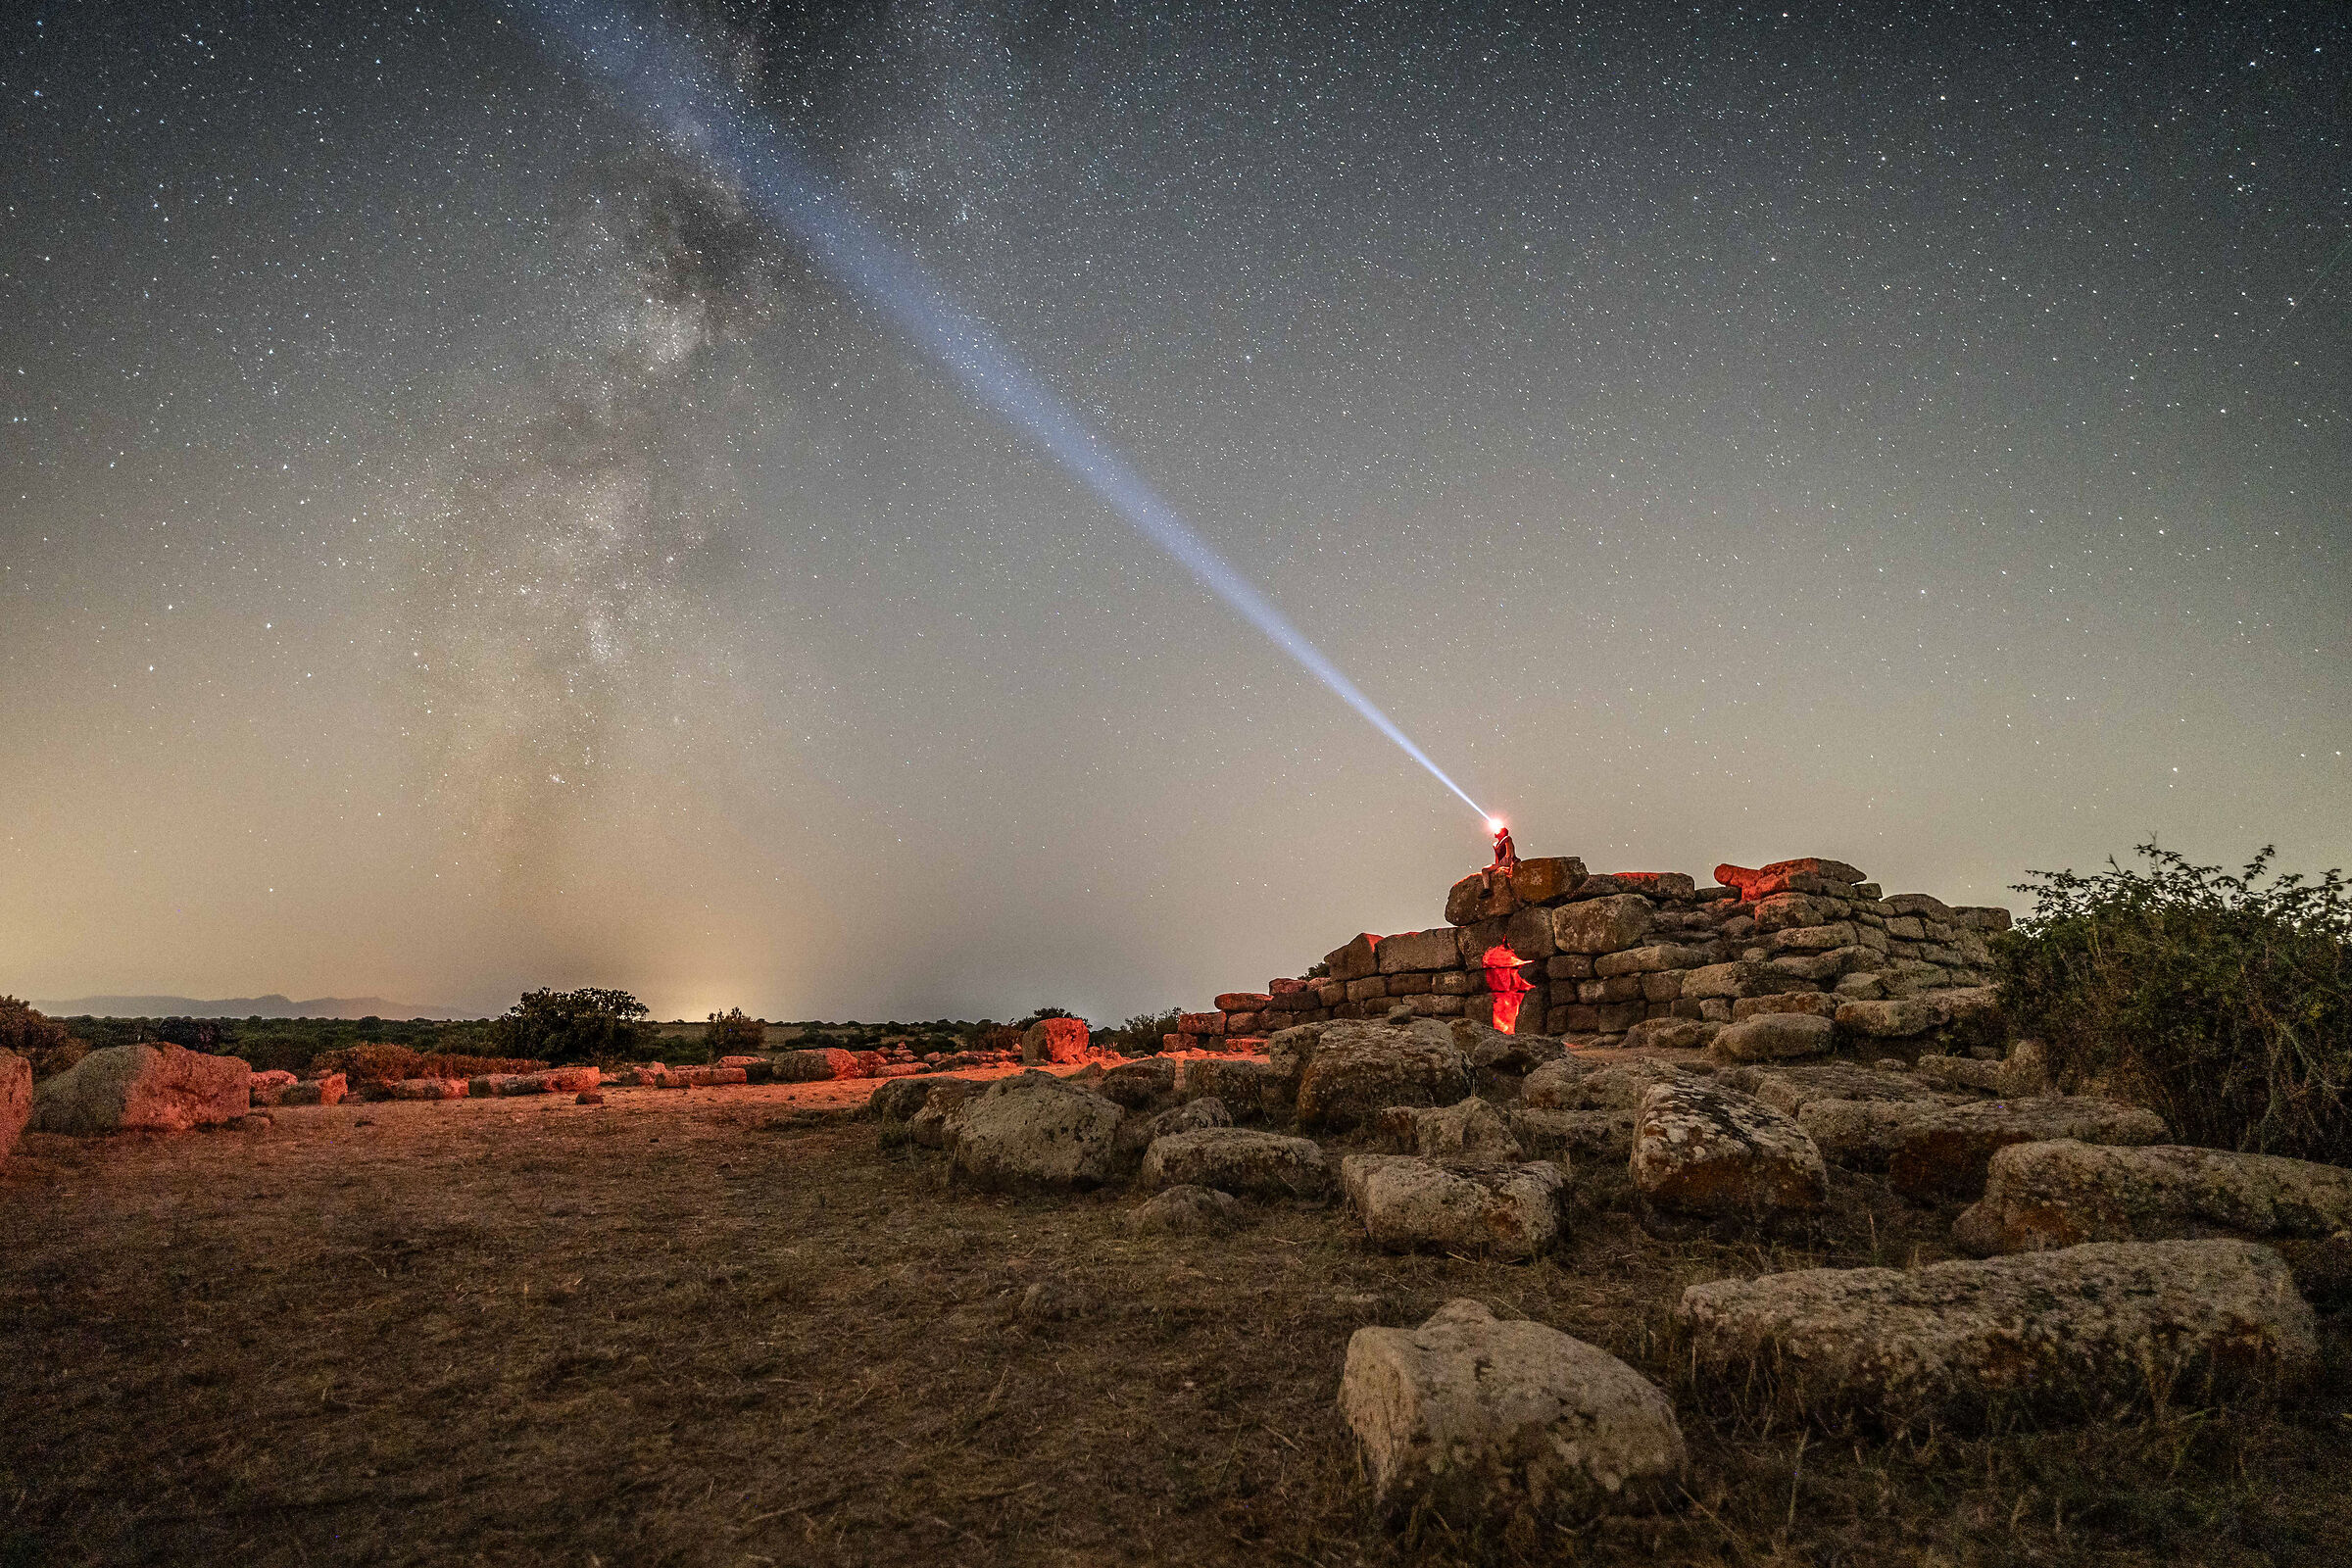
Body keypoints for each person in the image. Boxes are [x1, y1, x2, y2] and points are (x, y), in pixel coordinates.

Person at [1481, 821, 1518, 890]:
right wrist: (1496, 865)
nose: (1496, 831)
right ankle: (1487, 889)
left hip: (1508, 857)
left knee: (1508, 842)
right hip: (1501, 862)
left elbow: (1507, 839)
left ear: (1503, 833)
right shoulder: (1495, 844)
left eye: (1498, 830)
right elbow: (1497, 856)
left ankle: (1514, 859)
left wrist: (1500, 846)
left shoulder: (1507, 838)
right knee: (1484, 870)